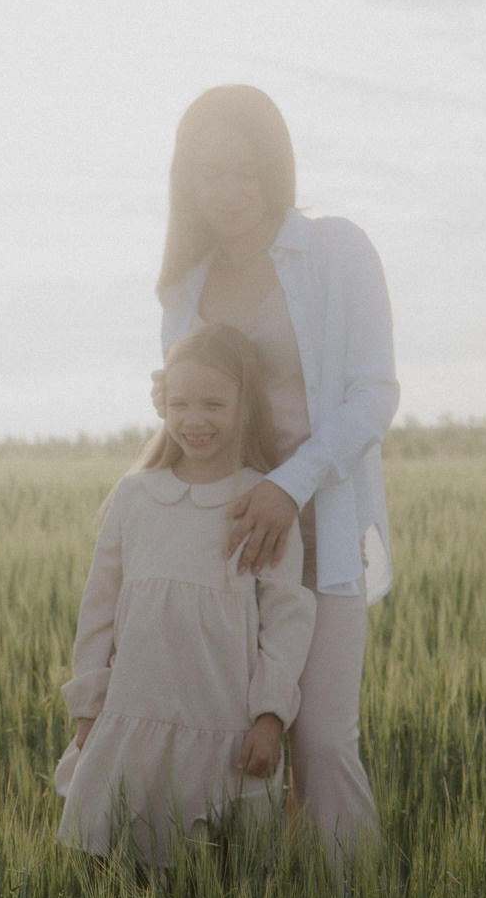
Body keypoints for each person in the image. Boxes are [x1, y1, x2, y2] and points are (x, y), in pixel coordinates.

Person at [155, 84, 399, 857]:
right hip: (227, 539)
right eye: (211, 173)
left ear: (275, 169)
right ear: (187, 181)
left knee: (321, 740)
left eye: (247, 171)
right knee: (232, 744)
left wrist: (287, 487)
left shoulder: (336, 252)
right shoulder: (184, 290)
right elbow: (196, 416)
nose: (229, 191)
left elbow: (374, 393)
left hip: (322, 528)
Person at [57, 325, 318, 865]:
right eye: (179, 404)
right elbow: (98, 608)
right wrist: (88, 707)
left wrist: (270, 718)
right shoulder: (136, 495)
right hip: (133, 709)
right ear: (163, 406)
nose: (194, 420)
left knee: (214, 874)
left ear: (246, 405)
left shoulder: (264, 503)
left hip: (223, 720)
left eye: (213, 404)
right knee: (109, 863)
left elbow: (285, 619)